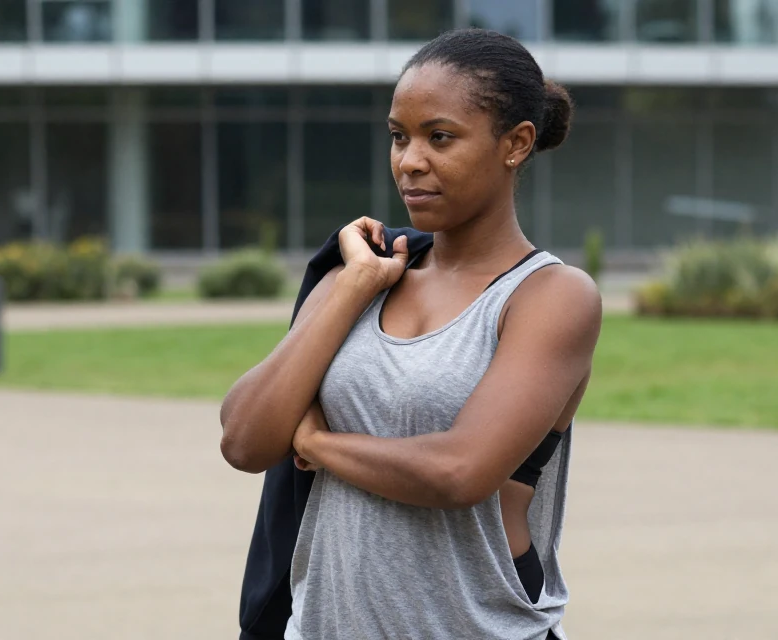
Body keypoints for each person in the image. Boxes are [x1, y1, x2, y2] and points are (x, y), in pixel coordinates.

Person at [220, 28, 602, 640]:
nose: (409, 160)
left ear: (516, 144)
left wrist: (317, 445)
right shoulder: (364, 275)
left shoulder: (549, 297)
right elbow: (243, 439)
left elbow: (459, 472)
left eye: (439, 137)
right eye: (399, 137)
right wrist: (352, 286)